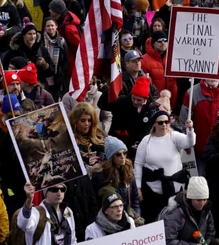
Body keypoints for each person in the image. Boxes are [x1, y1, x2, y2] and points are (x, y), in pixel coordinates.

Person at [134, 109, 195, 223]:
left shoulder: (174, 136)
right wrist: (138, 187)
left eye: (166, 122)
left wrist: (190, 129)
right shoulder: (146, 141)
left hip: (175, 191)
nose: (164, 125)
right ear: (154, 124)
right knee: (155, 221)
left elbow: (190, 142)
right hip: (153, 192)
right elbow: (138, 164)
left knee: (176, 221)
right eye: (160, 122)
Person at [179, 79, 219, 173]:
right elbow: (183, 122)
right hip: (199, 150)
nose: (212, 78)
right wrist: (185, 142)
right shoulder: (192, 93)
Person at [66, 102, 102, 241]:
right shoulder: (69, 140)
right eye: (82, 120)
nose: (86, 124)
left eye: (89, 120)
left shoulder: (98, 137)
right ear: (75, 121)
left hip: (97, 188)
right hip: (79, 191)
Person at [98, 77, 155, 155]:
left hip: (138, 147)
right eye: (133, 98)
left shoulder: (151, 108)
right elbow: (102, 104)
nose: (135, 102)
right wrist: (110, 89)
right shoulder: (123, 101)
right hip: (119, 144)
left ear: (146, 99)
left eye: (139, 100)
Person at [91, 136, 140, 216]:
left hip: (129, 216)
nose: (123, 157)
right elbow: (96, 203)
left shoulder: (128, 170)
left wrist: (136, 216)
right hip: (109, 217)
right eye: (118, 154)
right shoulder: (100, 175)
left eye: (124, 153)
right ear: (111, 157)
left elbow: (135, 200)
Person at [3, 19, 56, 87]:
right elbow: (5, 71)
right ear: (23, 35)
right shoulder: (14, 51)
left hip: (39, 86)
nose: (32, 37)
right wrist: (24, 67)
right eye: (29, 34)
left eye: (34, 34)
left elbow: (52, 71)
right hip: (20, 86)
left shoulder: (41, 49)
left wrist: (45, 65)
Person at [163, 176, 216, 244]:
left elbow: (210, 233)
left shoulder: (206, 209)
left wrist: (207, 242)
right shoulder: (176, 213)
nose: (202, 203)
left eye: (205, 199)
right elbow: (168, 241)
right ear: (190, 198)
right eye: (198, 200)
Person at [141, 31, 178, 109]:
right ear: (153, 43)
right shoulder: (144, 60)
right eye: (159, 41)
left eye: (165, 40)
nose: (163, 43)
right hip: (154, 103)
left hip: (172, 102)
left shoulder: (173, 58)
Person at [49, 0, 81, 78]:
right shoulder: (63, 21)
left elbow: (78, 48)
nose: (49, 11)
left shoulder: (68, 29)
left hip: (70, 66)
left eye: (51, 9)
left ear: (57, 12)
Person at [42, 17, 68, 101]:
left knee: (54, 100)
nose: (50, 28)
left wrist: (61, 72)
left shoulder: (62, 41)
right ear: (45, 27)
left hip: (57, 76)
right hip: (44, 75)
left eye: (52, 25)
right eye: (48, 26)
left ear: (56, 26)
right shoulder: (40, 40)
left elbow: (65, 59)